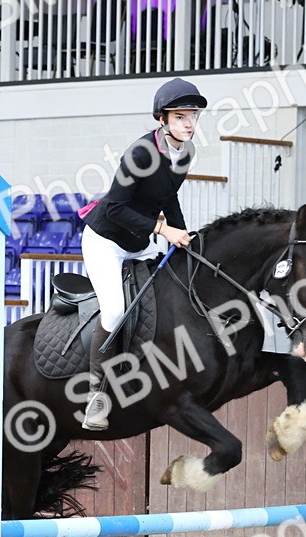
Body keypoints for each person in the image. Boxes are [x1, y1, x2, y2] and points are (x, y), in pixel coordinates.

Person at [77, 78, 206, 430]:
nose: (189, 123)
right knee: (116, 309)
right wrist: (165, 230)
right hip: (105, 239)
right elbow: (116, 209)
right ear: (162, 119)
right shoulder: (140, 153)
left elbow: (168, 197)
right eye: (180, 117)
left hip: (139, 240)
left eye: (192, 116)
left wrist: (185, 235)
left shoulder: (186, 152)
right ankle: (95, 398)